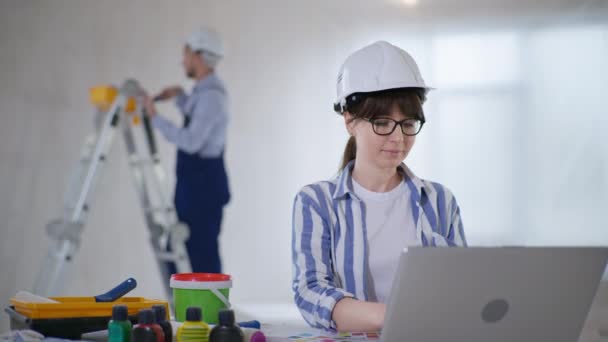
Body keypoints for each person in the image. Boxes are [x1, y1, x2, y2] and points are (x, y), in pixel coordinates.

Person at [291, 41, 467, 332]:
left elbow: (463, 286)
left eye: (408, 123)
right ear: (350, 121)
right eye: (383, 123)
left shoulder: (440, 201)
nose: (398, 138)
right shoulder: (316, 202)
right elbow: (311, 292)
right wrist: (395, 317)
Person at [141, 27, 230, 274]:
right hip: (193, 187)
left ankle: (212, 311)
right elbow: (197, 117)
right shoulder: (202, 93)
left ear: (199, 57)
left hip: (203, 189)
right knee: (182, 253)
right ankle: (186, 308)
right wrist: (180, 97)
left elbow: (192, 141)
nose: (183, 61)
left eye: (186, 54)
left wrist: (155, 117)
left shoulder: (213, 97)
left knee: (201, 256)